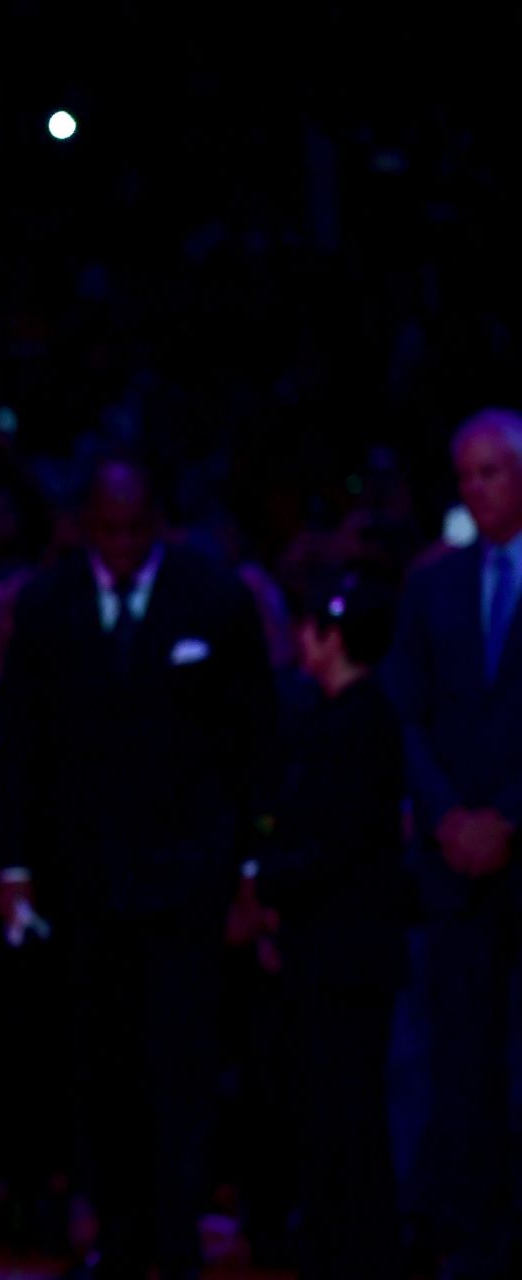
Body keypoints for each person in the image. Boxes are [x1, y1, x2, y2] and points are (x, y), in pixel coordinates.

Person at [0, 459, 276, 1280]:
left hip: (190, 882)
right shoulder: (48, 604)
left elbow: (254, 739)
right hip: (83, 885)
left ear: (158, 523)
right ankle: (117, 1236)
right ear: (85, 524)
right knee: (100, 1067)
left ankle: (177, 1238)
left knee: (182, 1067)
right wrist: (13, 864)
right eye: (105, 529)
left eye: (133, 529)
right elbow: (21, 744)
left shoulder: (214, 595)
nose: (119, 546)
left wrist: (252, 866)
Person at [386, 409, 522, 1279]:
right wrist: (446, 818)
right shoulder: (433, 583)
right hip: (454, 868)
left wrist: (508, 816)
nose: (477, 489)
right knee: (461, 1069)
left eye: (493, 472)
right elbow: (402, 712)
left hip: (514, 847)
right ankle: (469, 1244)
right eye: (466, 474)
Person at [241, 572, 404, 1280]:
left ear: (330, 635)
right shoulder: (340, 717)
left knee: (347, 1115)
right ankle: (337, 1244)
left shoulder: (357, 723)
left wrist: (260, 884)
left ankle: (353, 1252)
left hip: (345, 957)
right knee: (332, 1111)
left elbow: (335, 844)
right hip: (328, 952)